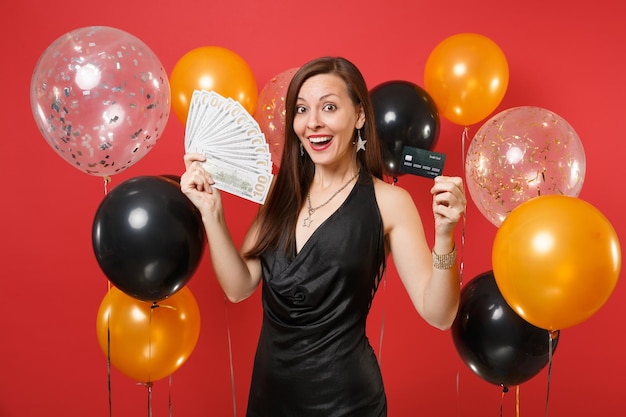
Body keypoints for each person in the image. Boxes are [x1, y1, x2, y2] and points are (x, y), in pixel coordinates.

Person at [180, 56, 466, 417]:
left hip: (347, 403)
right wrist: (212, 213)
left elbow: (439, 314)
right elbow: (239, 287)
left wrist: (444, 236)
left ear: (359, 115)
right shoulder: (279, 194)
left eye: (329, 107)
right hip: (269, 399)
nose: (313, 122)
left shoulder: (390, 202)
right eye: (301, 109)